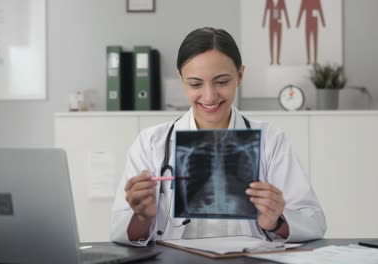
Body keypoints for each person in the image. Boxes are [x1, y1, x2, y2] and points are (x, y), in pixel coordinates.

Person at [110, 27, 326, 246]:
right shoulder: (151, 143)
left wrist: (277, 221)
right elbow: (119, 230)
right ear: (181, 79)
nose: (210, 96)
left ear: (240, 75)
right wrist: (142, 217)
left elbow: (314, 222)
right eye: (195, 84)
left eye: (221, 81)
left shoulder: (270, 140)